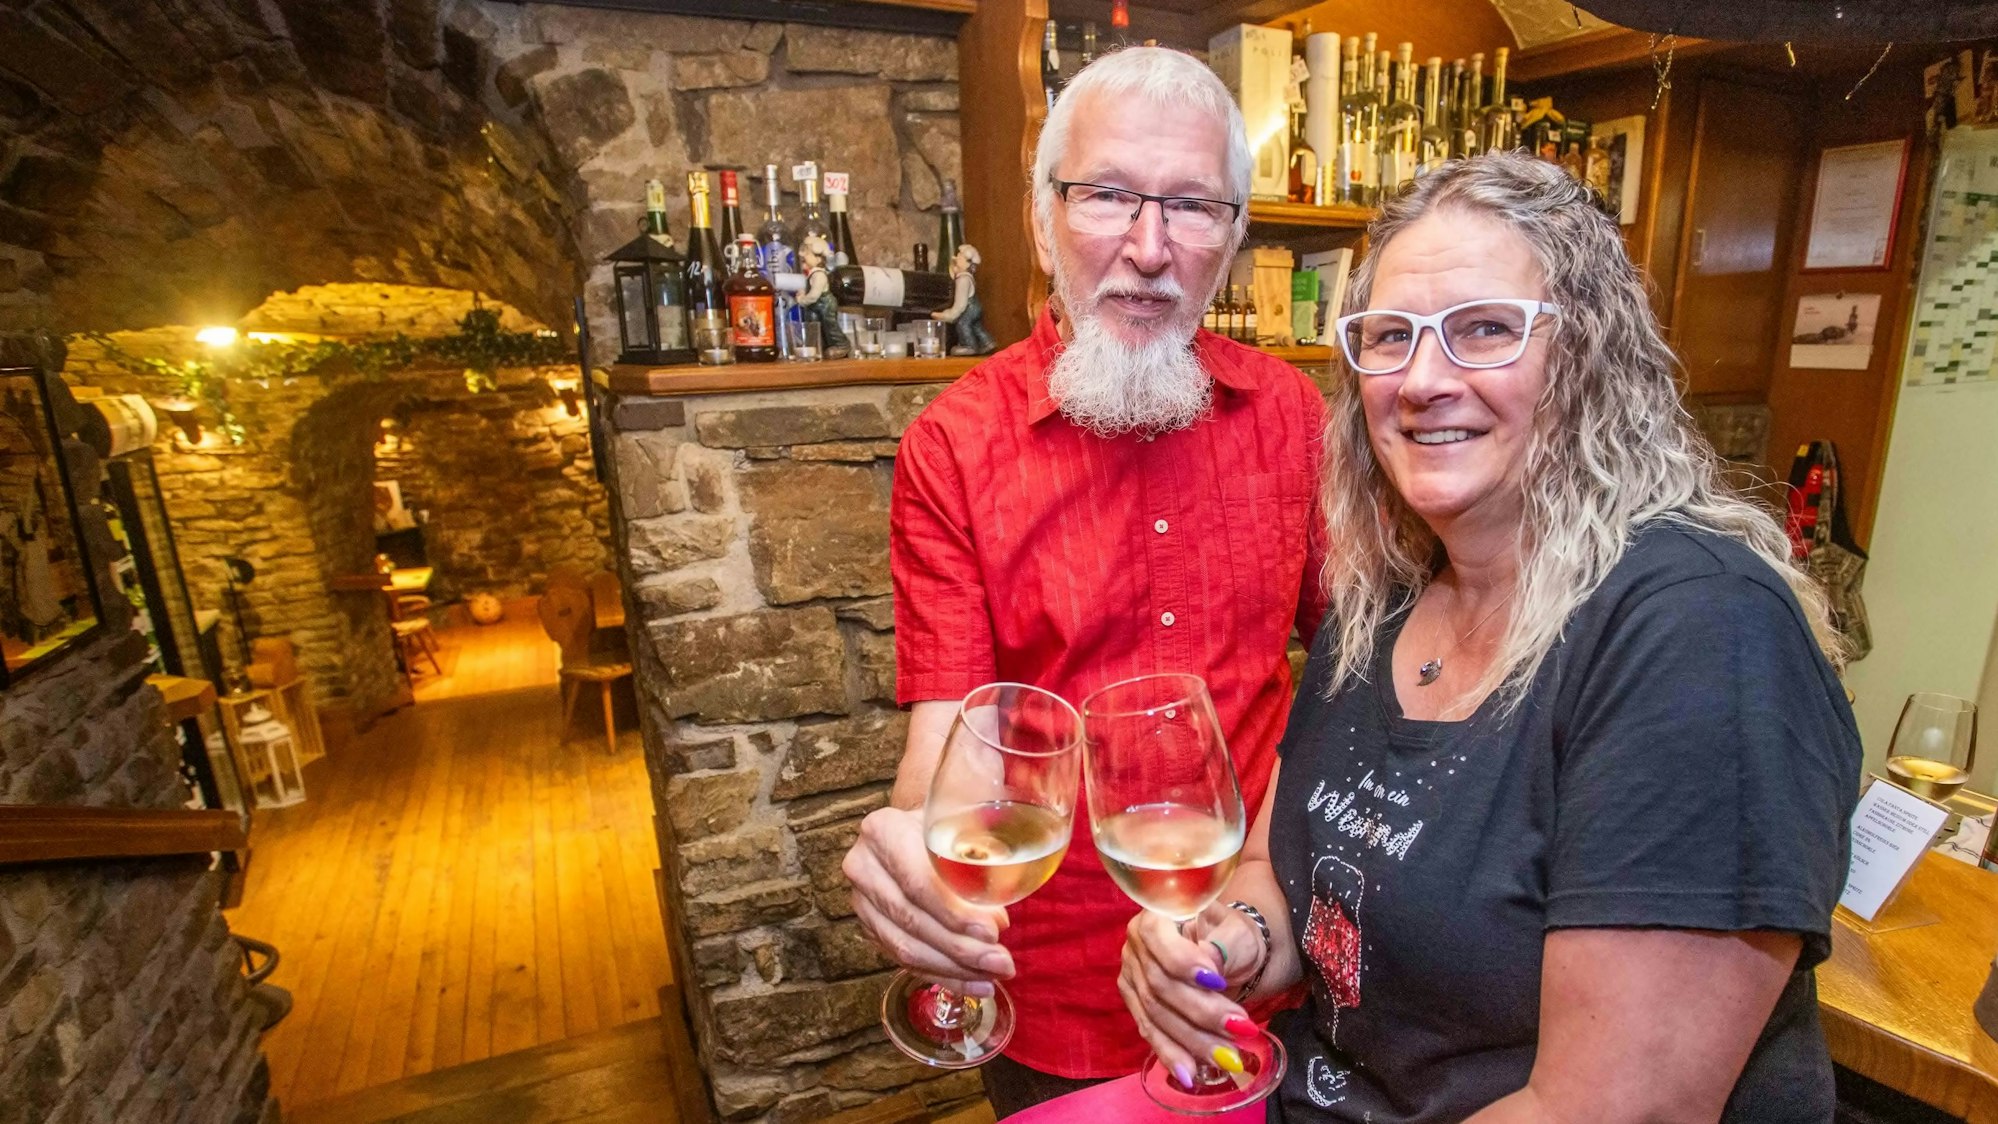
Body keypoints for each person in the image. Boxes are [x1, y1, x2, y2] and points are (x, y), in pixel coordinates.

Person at [1117, 152, 1862, 1123]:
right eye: (1389, 336)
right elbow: (1279, 870)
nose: (1423, 379)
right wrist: (1229, 944)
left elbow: (1614, 1111)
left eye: (1483, 331)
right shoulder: (1385, 594)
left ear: (1590, 355)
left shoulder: (1702, 632)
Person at [841, 47, 1331, 1117]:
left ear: (1235, 235)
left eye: (1194, 207)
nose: (1148, 249)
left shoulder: (1296, 418)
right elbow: (946, 736)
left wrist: (1266, 890)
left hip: (1254, 953)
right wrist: (914, 858)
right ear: (1043, 214)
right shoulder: (952, 445)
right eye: (1108, 194)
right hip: (1051, 989)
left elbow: (1352, 677)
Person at [933, 243, 997, 356]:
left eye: (960, 257)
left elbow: (960, 304)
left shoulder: (963, 280)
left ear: (967, 263)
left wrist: (949, 314)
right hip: (976, 306)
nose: (956, 258)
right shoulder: (966, 277)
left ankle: (970, 346)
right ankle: (988, 342)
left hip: (970, 307)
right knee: (975, 325)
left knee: (962, 324)